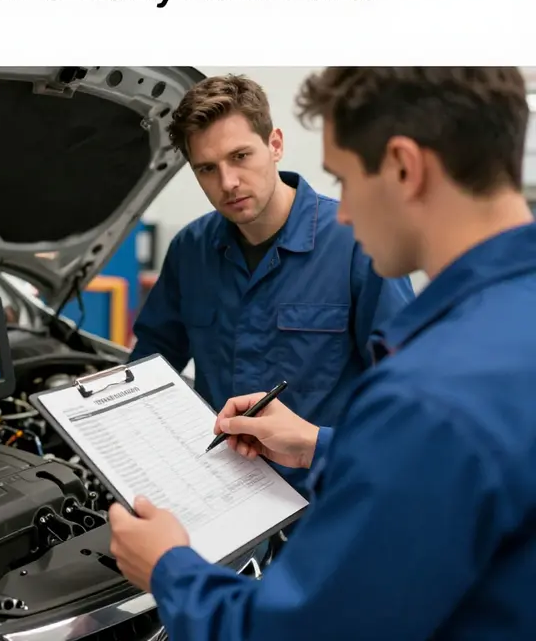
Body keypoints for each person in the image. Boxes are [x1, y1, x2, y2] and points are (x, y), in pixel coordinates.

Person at [109, 67, 536, 639]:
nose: (345, 210)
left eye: (345, 179)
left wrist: (168, 569)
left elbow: (296, 631)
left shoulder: (428, 391)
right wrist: (314, 445)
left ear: (406, 168)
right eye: (207, 169)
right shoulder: (506, 325)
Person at [130, 75, 414, 447]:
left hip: (324, 489)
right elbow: (149, 368)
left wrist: (321, 446)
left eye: (240, 156)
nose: (228, 182)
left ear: (275, 144)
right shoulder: (191, 249)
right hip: (220, 486)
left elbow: (406, 396)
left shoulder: (357, 242)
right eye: (207, 168)